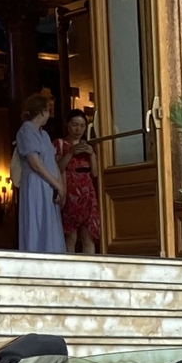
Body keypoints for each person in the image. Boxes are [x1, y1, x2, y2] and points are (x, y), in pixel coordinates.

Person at [12, 88, 65, 254]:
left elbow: (51, 161)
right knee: (36, 221)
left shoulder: (44, 135)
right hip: (35, 183)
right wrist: (56, 182)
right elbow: (35, 163)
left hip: (48, 184)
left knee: (49, 223)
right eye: (48, 111)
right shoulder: (25, 131)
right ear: (42, 112)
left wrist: (61, 186)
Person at [60, 108, 101, 255]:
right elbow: (58, 168)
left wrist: (92, 155)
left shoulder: (88, 146)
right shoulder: (60, 144)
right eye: (75, 125)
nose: (78, 129)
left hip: (87, 192)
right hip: (70, 192)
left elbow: (95, 173)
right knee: (70, 237)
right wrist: (70, 152)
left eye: (82, 126)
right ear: (68, 125)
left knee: (88, 236)